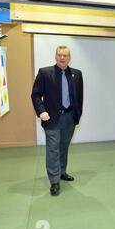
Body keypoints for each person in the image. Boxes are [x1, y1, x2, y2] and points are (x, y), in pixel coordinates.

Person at [31, 45, 84, 196]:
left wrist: (77, 114)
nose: (62, 58)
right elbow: (35, 95)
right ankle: (54, 181)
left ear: (69, 58)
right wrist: (41, 111)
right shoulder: (45, 73)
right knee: (53, 149)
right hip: (52, 118)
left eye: (65, 55)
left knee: (63, 146)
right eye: (59, 55)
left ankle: (62, 172)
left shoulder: (77, 74)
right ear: (55, 57)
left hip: (69, 117)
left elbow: (80, 96)